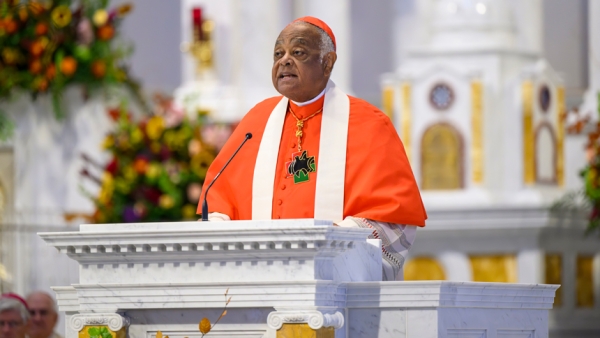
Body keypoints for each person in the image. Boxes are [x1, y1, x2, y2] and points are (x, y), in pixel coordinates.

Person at [198, 16, 427, 280]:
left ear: (327, 62)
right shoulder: (256, 121)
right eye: (278, 53)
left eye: (298, 52)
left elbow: (391, 219)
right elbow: (219, 204)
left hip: (333, 288)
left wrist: (330, 243)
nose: (284, 60)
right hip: (256, 280)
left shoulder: (368, 124)